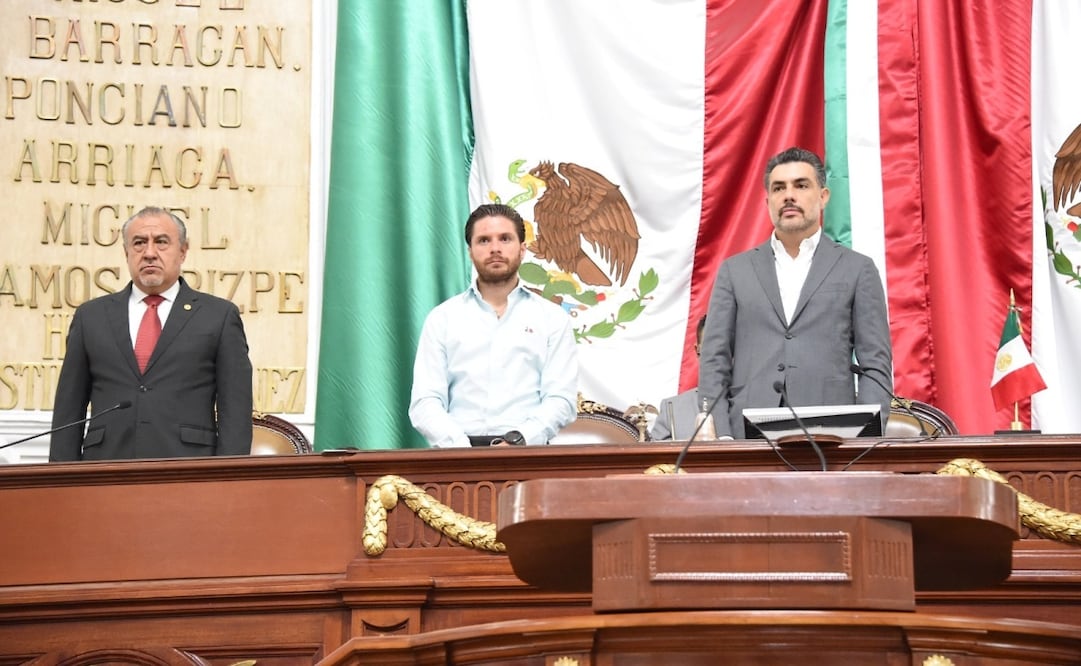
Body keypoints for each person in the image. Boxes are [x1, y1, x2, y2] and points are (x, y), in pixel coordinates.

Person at [698, 147, 893, 439]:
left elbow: (875, 364)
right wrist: (722, 436)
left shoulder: (858, 269)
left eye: (801, 185)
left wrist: (863, 438)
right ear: (767, 201)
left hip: (833, 437)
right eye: (779, 188)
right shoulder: (734, 271)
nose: (789, 195)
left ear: (823, 196)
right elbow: (714, 361)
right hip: (745, 437)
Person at [49, 207, 253, 461]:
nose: (149, 253)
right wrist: (62, 486)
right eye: (138, 243)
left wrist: (228, 480)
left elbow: (236, 410)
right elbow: (69, 409)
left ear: (183, 251)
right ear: (126, 252)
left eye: (161, 242)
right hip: (105, 470)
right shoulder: (91, 317)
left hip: (188, 470)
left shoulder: (219, 316)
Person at [409, 203, 578, 448]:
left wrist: (518, 441)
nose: (495, 249)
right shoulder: (443, 318)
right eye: (484, 240)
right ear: (470, 251)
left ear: (522, 249)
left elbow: (560, 400)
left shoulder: (552, 318)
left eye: (505, 239)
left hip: (527, 453)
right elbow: (425, 401)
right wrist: (461, 448)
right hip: (455, 456)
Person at [651, 315, 707, 440]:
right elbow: (655, 457)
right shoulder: (672, 409)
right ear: (697, 351)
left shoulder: (753, 405)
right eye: (709, 348)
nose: (716, 356)